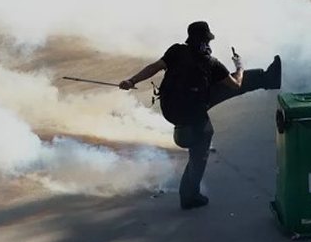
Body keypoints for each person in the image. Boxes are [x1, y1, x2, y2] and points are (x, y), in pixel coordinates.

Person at [119, 21, 281, 210]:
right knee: (199, 153)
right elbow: (236, 85)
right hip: (193, 114)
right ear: (205, 42)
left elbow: (153, 67)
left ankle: (268, 79)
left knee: (218, 90)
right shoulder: (211, 63)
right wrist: (240, 67)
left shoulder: (176, 51)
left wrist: (131, 81)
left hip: (170, 108)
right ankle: (189, 196)